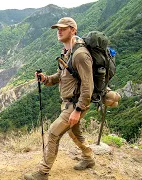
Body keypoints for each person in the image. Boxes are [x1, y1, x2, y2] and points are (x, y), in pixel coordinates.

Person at [24, 17, 95, 180]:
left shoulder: (80, 55)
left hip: (75, 104)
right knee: (74, 133)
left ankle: (43, 172)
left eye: (63, 28)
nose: (59, 30)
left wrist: (78, 110)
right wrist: (46, 79)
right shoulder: (67, 52)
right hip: (68, 103)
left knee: (53, 133)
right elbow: (62, 75)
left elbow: (88, 86)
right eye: (58, 28)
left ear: (73, 30)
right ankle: (89, 158)